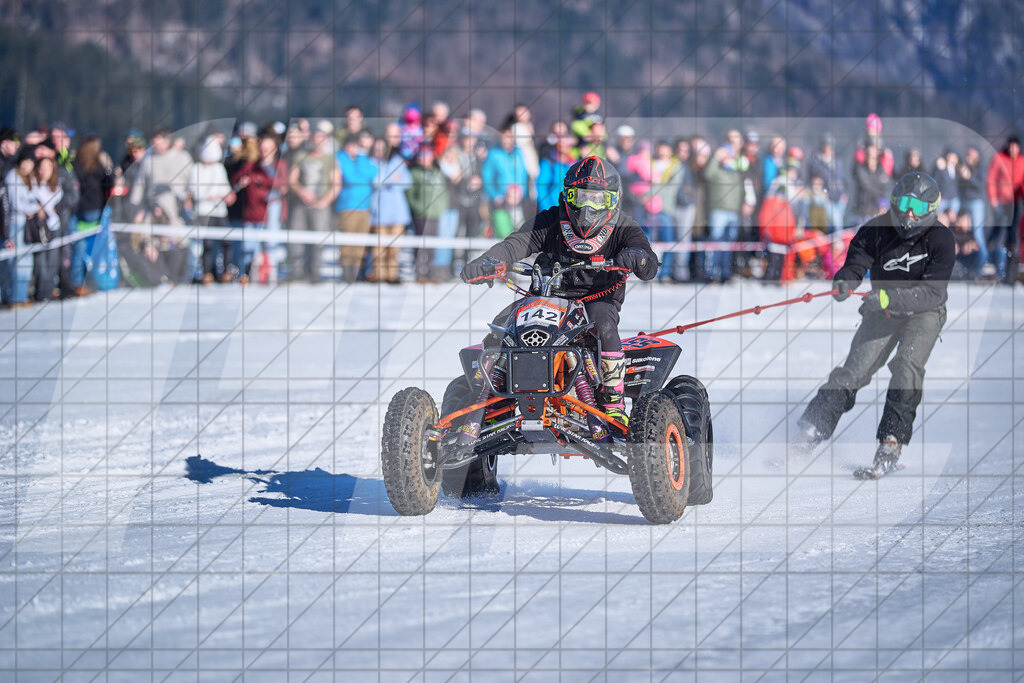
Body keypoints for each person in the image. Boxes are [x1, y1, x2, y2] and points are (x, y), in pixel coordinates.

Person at [460, 156, 659, 430]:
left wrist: (636, 256)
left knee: (605, 329)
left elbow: (648, 261)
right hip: (545, 296)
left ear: (612, 201)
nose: (588, 207)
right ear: (568, 195)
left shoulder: (624, 226)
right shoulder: (551, 219)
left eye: (598, 200)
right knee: (502, 327)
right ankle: (492, 399)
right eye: (581, 197)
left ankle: (613, 404)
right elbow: (515, 244)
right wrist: (488, 261)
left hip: (596, 301)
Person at [797, 172, 955, 478]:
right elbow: (856, 264)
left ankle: (891, 441)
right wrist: (845, 281)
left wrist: (887, 298)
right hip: (881, 311)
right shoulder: (876, 230)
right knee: (854, 370)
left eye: (919, 208)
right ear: (895, 201)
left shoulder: (941, 239)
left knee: (906, 365)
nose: (910, 213)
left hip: (924, 312)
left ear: (931, 209)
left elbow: (932, 293)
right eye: (906, 203)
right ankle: (808, 431)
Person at [287, 120, 341, 283]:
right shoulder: (301, 156)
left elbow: (336, 183)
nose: (317, 141)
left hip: (321, 206)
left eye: (321, 138)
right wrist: (302, 191)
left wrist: (324, 201)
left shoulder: (329, 159)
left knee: (318, 241)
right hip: (300, 205)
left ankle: (314, 273)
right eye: (315, 138)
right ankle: (297, 272)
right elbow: (292, 179)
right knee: (296, 239)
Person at [335, 133, 377, 283]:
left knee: (360, 242)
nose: (354, 148)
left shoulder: (361, 159)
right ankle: (347, 273)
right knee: (347, 241)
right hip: (347, 206)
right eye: (351, 145)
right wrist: (361, 173)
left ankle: (357, 272)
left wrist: (361, 160)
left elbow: (372, 173)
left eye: (356, 146)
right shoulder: (340, 159)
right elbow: (350, 178)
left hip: (365, 207)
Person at [986, 135, 1024, 284]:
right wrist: (993, 198)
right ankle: (989, 261)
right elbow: (991, 179)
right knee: (997, 230)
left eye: (1015, 146)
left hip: (1015, 203)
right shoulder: (999, 158)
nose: (1012, 149)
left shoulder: (1021, 161)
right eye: (1011, 146)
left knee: (1012, 235)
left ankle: (1009, 269)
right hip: (1001, 201)